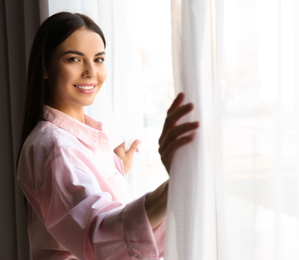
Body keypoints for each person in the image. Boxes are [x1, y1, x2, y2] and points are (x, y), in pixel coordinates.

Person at [17, 12, 199, 260]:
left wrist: (112, 171)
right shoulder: (55, 147)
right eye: (74, 59)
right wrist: (176, 183)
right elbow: (98, 235)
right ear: (45, 67)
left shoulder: (76, 140)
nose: (91, 72)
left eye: (99, 59)